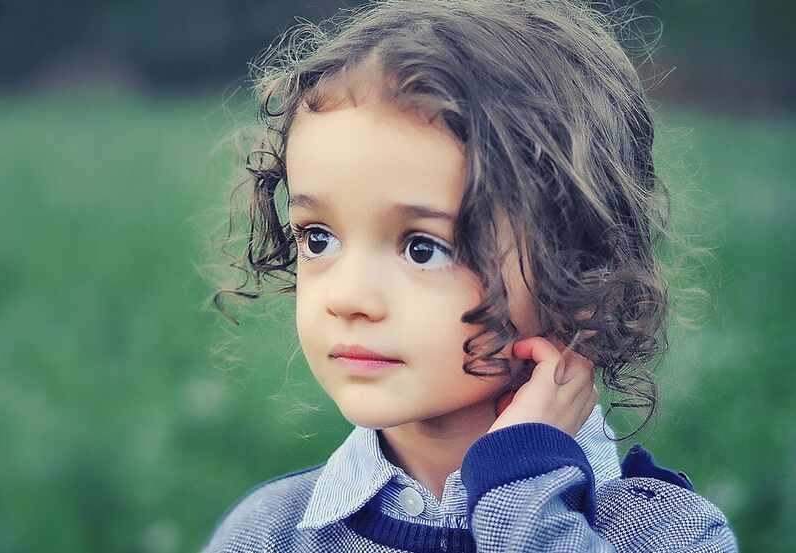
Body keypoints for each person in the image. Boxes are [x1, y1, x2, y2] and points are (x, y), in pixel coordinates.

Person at [203, 0, 739, 550]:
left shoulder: (667, 533)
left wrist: (521, 489)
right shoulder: (266, 532)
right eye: (318, 238)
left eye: (423, 249)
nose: (347, 297)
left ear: (583, 270)